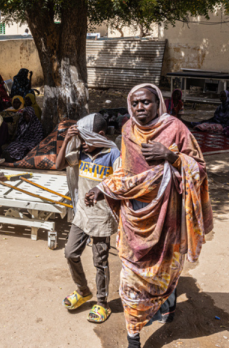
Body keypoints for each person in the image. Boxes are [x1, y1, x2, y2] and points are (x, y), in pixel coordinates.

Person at [85, 84, 213, 348]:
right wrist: (102, 188)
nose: (140, 108)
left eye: (146, 102)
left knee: (165, 266)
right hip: (135, 216)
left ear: (158, 103)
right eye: (135, 103)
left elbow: (198, 169)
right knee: (131, 274)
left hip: (168, 216)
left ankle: (168, 300)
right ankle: (133, 336)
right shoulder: (127, 130)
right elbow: (125, 172)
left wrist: (171, 156)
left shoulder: (176, 128)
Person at [54, 113, 120, 324]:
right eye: (80, 139)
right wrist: (66, 140)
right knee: (70, 252)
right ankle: (83, 290)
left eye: (85, 139)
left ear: (100, 135)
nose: (82, 144)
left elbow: (121, 184)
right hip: (82, 214)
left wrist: (103, 190)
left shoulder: (112, 154)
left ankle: (102, 303)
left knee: (100, 262)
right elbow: (58, 165)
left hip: (101, 218)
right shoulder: (81, 153)